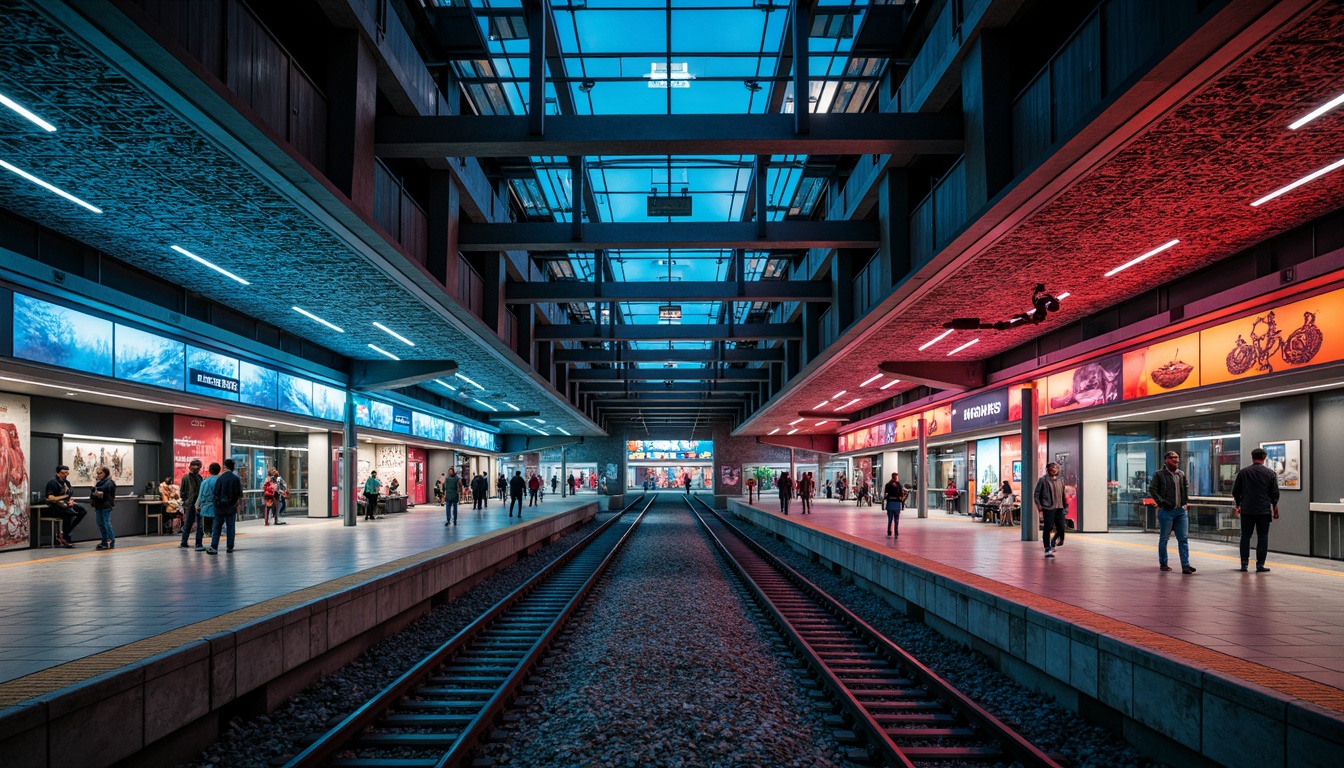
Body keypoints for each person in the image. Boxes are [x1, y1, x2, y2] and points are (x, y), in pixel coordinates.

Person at [1232, 447, 1280, 573]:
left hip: (1247, 510)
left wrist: (1238, 504)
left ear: (1252, 457)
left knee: (1245, 537)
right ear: (1264, 458)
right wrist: (1275, 507)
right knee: (1263, 537)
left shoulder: (1243, 472)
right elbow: (1274, 493)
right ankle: (1260, 565)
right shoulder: (1270, 473)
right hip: (1264, 511)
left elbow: (1235, 491)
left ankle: (1244, 564)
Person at [1148, 451, 1195, 574]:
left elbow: (1184, 488)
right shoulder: (1159, 475)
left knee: (1183, 538)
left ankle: (1185, 565)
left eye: (1177, 458)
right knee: (1164, 538)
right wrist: (1161, 502)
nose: (1176, 460)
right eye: (1173, 458)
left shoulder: (1181, 474)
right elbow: (1152, 489)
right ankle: (1163, 563)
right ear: (1166, 460)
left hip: (1181, 510)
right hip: (1167, 511)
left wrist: (1186, 502)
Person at [44, 465, 86, 548]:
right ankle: (64, 537)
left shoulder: (67, 483)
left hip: (66, 504)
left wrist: (70, 500)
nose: (65, 475)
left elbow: (69, 496)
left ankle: (65, 533)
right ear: (58, 473)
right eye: (62, 473)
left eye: (66, 473)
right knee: (69, 513)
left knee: (83, 510)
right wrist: (64, 497)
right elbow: (51, 498)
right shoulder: (52, 482)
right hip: (56, 507)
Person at [207, 458, 243, 554]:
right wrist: (236, 504)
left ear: (225, 467)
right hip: (231, 507)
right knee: (230, 527)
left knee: (217, 527)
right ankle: (229, 547)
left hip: (219, 507)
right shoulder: (236, 479)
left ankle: (214, 547)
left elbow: (215, 493)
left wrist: (217, 503)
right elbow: (238, 494)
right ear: (233, 467)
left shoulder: (220, 478)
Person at [1035, 463, 1067, 558]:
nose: (1054, 470)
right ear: (1048, 470)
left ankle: (1054, 541)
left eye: (1056, 469)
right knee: (1048, 528)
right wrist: (1039, 506)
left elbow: (1063, 494)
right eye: (1052, 469)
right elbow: (1036, 494)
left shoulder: (1061, 480)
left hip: (1060, 507)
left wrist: (1065, 506)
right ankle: (1047, 548)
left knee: (1061, 527)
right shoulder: (1043, 480)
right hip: (1048, 507)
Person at [179, 459, 205, 550]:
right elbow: (182, 492)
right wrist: (186, 501)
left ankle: (187, 542)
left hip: (195, 504)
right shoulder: (186, 478)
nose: (196, 469)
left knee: (192, 524)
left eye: (198, 468)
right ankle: (194, 543)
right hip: (191, 504)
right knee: (193, 524)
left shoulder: (199, 477)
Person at [91, 466, 117, 550]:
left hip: (106, 505)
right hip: (99, 506)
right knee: (100, 524)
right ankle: (104, 541)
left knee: (106, 523)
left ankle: (110, 541)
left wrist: (95, 488)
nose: (99, 475)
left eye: (100, 473)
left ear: (105, 473)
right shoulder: (99, 482)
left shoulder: (110, 482)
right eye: (97, 473)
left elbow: (106, 488)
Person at [198, 462, 220, 552]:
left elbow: (200, 495)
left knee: (204, 526)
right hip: (218, 507)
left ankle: (200, 542)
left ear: (209, 470)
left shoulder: (205, 481)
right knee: (217, 526)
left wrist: (198, 505)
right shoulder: (220, 480)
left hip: (205, 507)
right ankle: (214, 544)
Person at [882, 472, 906, 537]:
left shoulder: (888, 484)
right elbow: (902, 494)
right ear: (896, 477)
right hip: (897, 504)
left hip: (890, 504)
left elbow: (885, 494)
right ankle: (896, 531)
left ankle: (889, 531)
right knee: (896, 519)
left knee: (890, 519)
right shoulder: (899, 485)